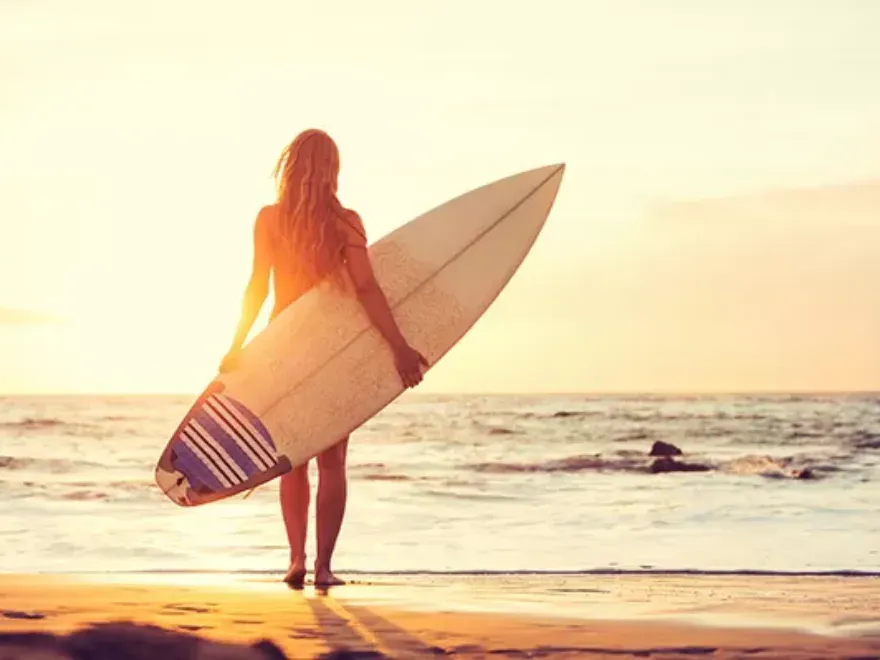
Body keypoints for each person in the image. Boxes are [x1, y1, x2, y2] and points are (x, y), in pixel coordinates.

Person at [218, 129, 428, 588]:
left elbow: (257, 286)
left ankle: (295, 560)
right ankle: (324, 568)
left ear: (289, 166)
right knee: (332, 461)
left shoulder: (270, 220)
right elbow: (367, 289)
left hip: (284, 345)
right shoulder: (346, 222)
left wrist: (237, 344)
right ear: (333, 170)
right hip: (331, 350)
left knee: (292, 457)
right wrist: (398, 347)